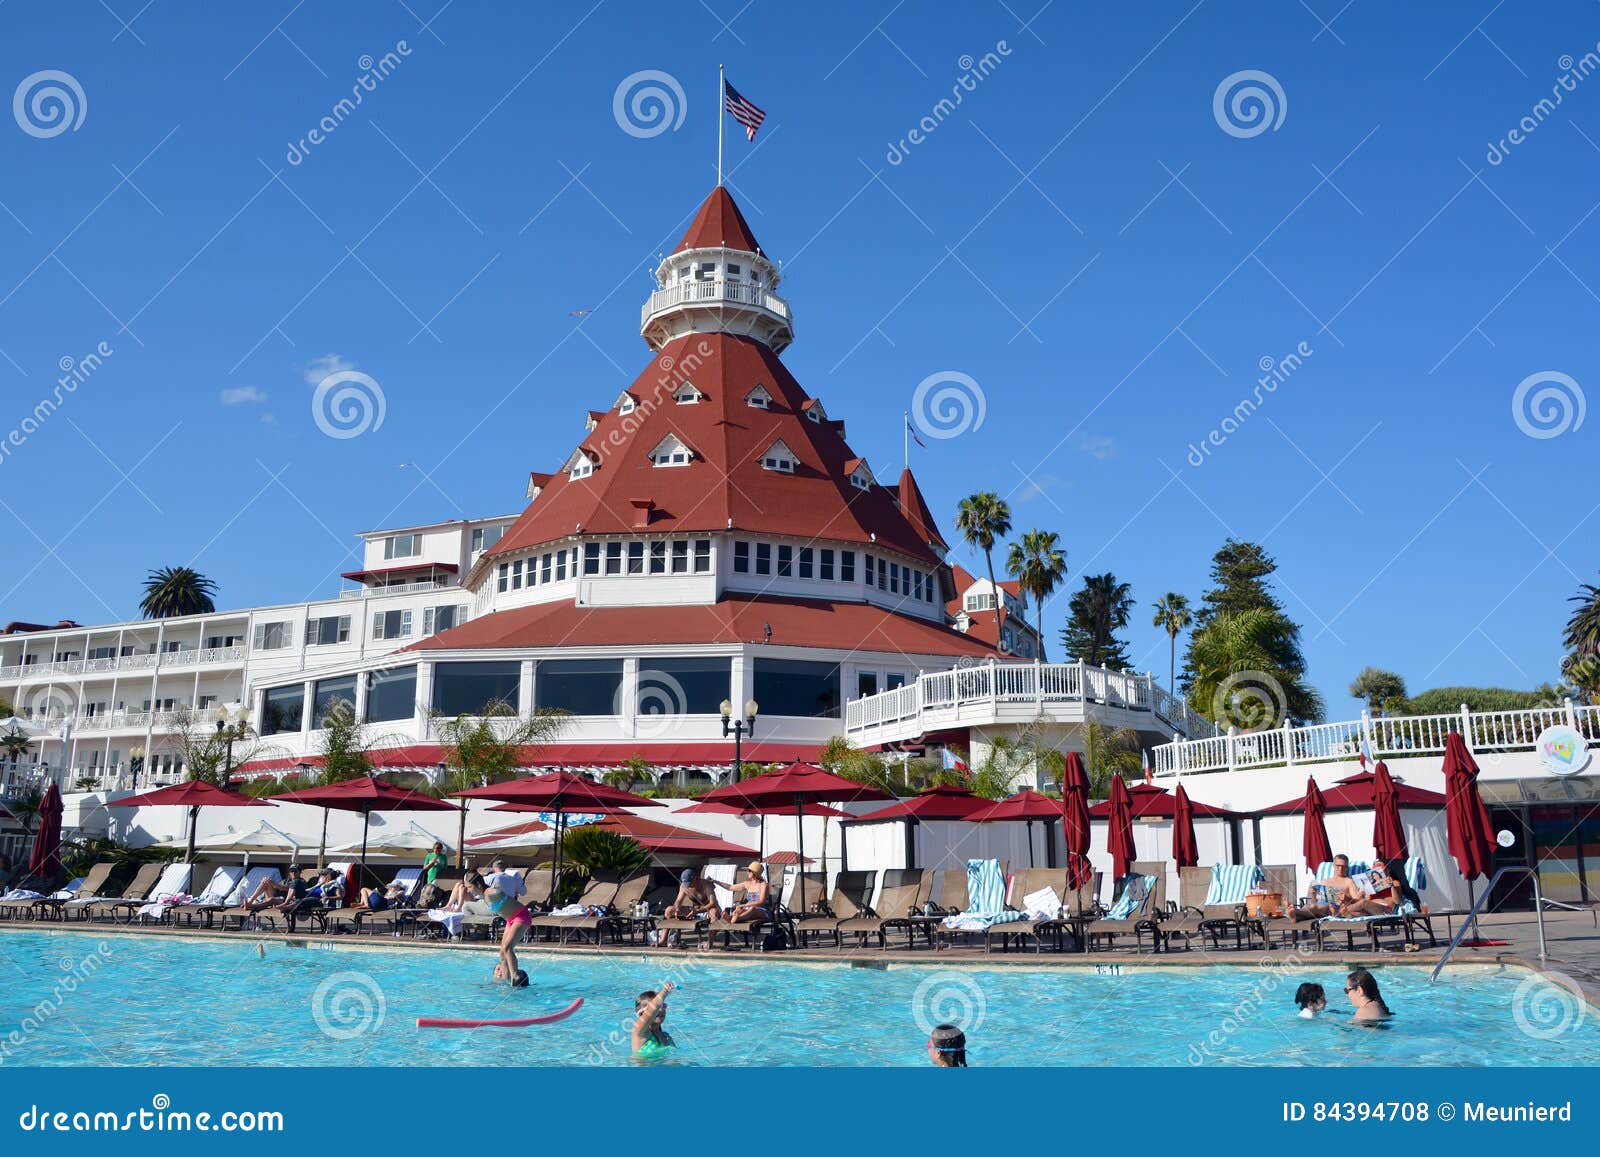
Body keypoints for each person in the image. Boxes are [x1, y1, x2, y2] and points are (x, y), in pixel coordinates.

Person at [481, 864, 532, 984]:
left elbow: (500, 891)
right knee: (502, 952)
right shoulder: (485, 896)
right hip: (510, 918)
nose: (468, 890)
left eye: (469, 887)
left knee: (508, 947)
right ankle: (504, 982)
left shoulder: (492, 892)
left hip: (521, 916)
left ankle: (515, 978)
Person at [1289, 854, 1363, 922]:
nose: (1340, 869)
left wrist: (1346, 898)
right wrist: (1313, 894)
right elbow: (1315, 901)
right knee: (1311, 906)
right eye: (1338, 866)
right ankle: (1294, 915)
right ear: (1333, 866)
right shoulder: (1324, 882)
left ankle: (1295, 911)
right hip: (1319, 908)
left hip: (1336, 908)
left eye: (1343, 866)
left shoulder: (1349, 882)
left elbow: (1357, 901)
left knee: (1316, 907)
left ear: (1347, 867)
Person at [656, 870, 719, 947]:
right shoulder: (684, 886)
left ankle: (710, 943)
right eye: (686, 884)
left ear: (695, 879)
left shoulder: (706, 885)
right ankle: (663, 940)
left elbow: (712, 903)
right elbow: (678, 900)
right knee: (669, 910)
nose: (688, 886)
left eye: (690, 883)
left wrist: (697, 911)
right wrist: (677, 909)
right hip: (694, 909)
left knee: (714, 913)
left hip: (707, 909)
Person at [632, 981, 675, 1058]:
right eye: (658, 1007)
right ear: (641, 1013)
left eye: (663, 1006)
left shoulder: (666, 1037)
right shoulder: (639, 1032)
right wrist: (664, 991)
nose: (661, 1010)